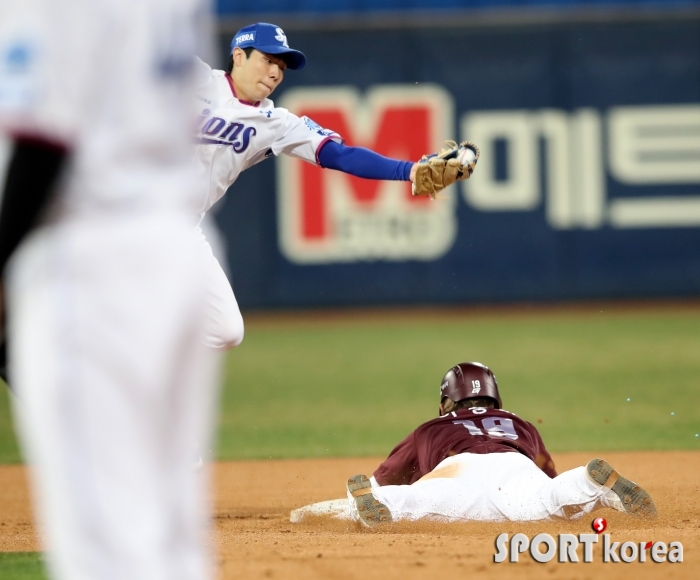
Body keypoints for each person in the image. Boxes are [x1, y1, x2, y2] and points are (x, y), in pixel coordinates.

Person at [0, 1, 220, 579]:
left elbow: (43, 143)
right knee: (167, 533)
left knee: (105, 548)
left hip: (90, 253)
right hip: (172, 247)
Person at [193, 22, 431, 350]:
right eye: (267, 59)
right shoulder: (194, 79)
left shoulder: (277, 123)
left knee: (225, 330)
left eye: (281, 66)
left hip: (184, 228)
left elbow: (341, 155)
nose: (275, 72)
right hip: (132, 210)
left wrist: (410, 170)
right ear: (238, 55)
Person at [346, 362, 656, 527]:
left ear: (445, 403)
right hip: (514, 467)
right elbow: (548, 475)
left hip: (455, 472)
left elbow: (383, 476)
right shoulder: (519, 422)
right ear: (496, 399)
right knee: (551, 500)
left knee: (414, 501)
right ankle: (588, 482)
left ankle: (379, 502)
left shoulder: (430, 428)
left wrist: (372, 490)